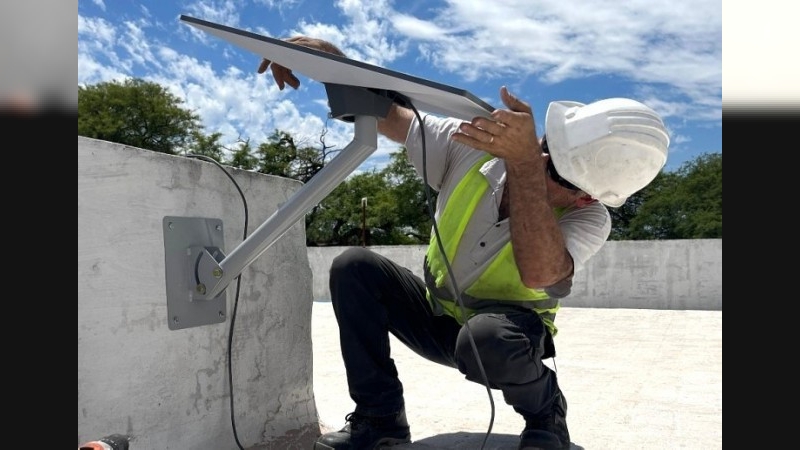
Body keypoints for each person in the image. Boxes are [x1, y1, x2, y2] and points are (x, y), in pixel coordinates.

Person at [258, 37, 670, 450]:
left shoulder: (589, 218)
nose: (542, 162)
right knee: (354, 269)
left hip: (507, 338)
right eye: (546, 147)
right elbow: (392, 117)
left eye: (559, 172)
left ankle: (546, 414)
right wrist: (331, 64)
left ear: (586, 196)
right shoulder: (471, 149)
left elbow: (542, 273)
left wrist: (524, 163)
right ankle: (380, 421)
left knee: (490, 339)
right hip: (438, 318)